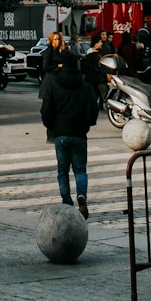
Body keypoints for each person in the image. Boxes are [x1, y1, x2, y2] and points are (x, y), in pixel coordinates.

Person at [41, 49, 99, 219]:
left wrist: (52, 126)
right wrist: (88, 123)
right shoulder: (85, 86)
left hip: (61, 134)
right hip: (80, 134)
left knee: (62, 171)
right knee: (80, 170)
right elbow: (92, 110)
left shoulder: (53, 85)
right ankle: (81, 195)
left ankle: (67, 201)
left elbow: (46, 111)